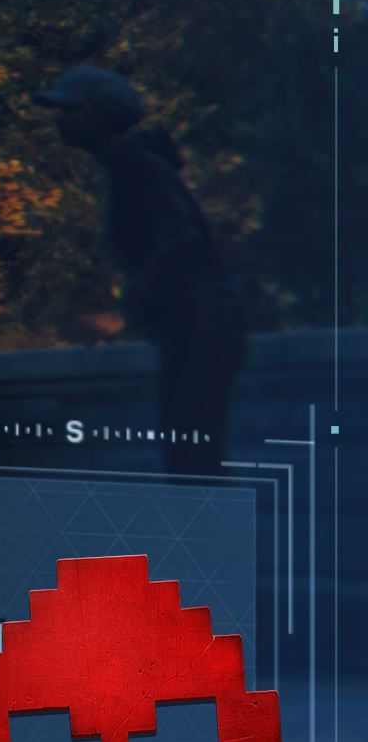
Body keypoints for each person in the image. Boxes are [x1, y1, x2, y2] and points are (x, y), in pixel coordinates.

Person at [38, 65, 248, 480]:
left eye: (71, 109)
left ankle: (215, 543)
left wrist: (122, 313)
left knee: (194, 464)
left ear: (102, 113)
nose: (58, 119)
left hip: (200, 328)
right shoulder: (131, 165)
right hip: (196, 328)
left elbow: (182, 239)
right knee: (194, 461)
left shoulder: (136, 164)